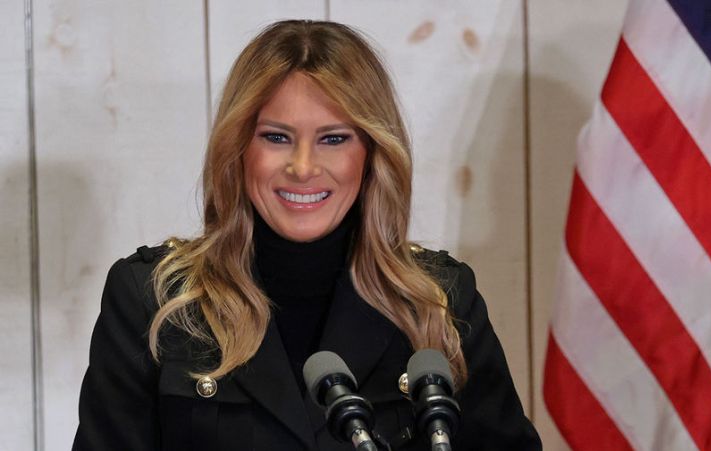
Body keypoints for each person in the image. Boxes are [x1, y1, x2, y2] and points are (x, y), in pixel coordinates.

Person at [73, 20, 541, 451]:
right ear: (238, 148)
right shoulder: (153, 300)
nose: (303, 167)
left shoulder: (439, 300)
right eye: (276, 137)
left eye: (333, 139)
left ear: (372, 153)